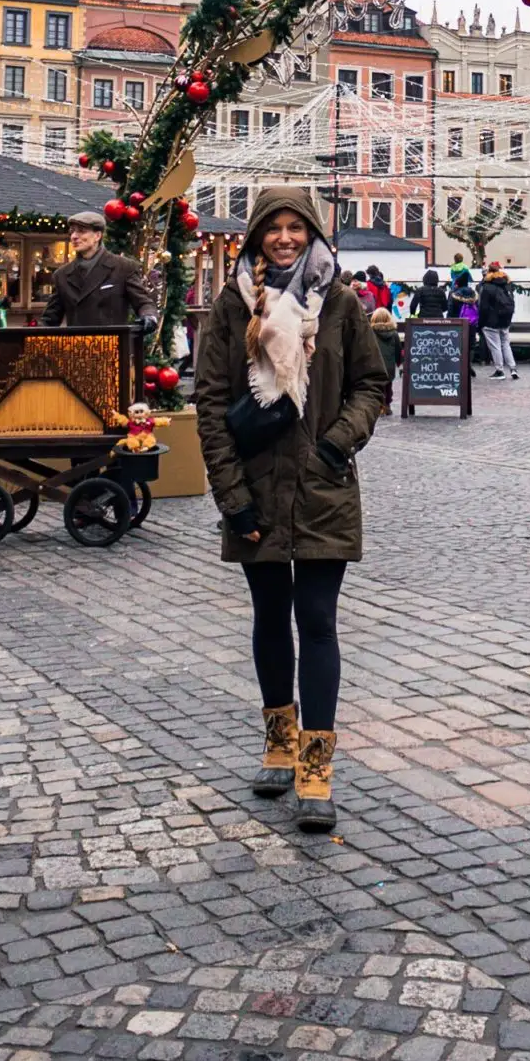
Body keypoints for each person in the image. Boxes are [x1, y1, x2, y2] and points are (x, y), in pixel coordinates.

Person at [194, 187, 388, 832]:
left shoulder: (337, 301)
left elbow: (371, 383)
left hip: (324, 484)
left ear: (311, 233)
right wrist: (233, 495)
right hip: (256, 487)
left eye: (294, 227)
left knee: (319, 621)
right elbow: (213, 403)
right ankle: (277, 744)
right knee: (271, 618)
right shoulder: (232, 304)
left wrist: (338, 442)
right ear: (256, 237)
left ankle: (316, 769)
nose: (283, 237)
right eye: (272, 228)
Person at [42, 209, 159, 331]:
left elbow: (143, 302)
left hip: (112, 345)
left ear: (97, 236)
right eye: (72, 232)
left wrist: (149, 316)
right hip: (77, 347)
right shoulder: (62, 275)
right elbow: (50, 319)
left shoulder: (123, 268)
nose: (74, 236)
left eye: (81, 231)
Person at [478, 260, 518, 379]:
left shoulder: (487, 287)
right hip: (505, 320)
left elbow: (483, 308)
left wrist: (481, 324)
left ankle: (499, 371)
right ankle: (513, 368)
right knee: (506, 343)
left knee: (495, 346)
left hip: (491, 321)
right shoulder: (506, 284)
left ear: (488, 272)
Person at [370, 306, 400, 413]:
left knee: (376, 387)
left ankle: (378, 405)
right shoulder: (394, 334)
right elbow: (398, 350)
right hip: (389, 367)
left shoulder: (370, 333)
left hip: (374, 365)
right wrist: (399, 362)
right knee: (388, 386)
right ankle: (386, 404)